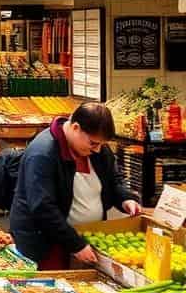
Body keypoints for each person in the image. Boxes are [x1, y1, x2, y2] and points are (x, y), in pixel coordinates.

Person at [10, 102, 141, 269]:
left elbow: (113, 180)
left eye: (101, 144)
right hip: (47, 243)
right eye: (93, 143)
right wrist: (75, 244)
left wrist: (125, 199)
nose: (98, 150)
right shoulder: (42, 154)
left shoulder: (97, 150)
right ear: (75, 128)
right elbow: (43, 206)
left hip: (88, 240)